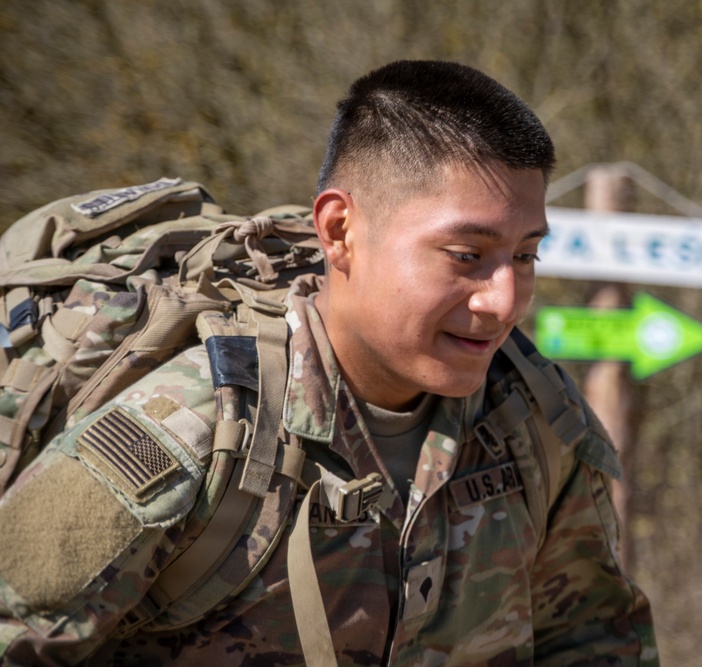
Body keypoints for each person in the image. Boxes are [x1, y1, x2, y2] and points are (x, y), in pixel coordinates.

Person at [0, 60, 658, 665]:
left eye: (525, 256)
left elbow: (593, 641)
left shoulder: (533, 420)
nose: (505, 300)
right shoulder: (194, 432)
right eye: (466, 255)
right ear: (340, 231)